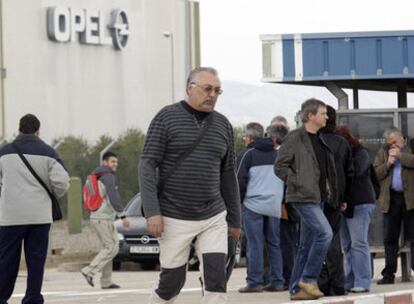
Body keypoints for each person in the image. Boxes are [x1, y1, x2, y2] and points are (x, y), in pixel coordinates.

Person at [139, 67, 241, 304]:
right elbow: (146, 165)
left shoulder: (223, 125)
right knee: (171, 284)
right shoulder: (166, 118)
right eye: (207, 89)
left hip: (213, 214)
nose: (212, 95)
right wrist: (152, 211)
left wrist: (235, 221)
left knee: (216, 277)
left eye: (217, 91)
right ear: (190, 88)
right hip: (174, 215)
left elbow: (228, 175)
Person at [0, 114, 70, 304]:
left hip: (10, 217)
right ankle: (32, 298)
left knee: (6, 260)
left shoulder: (5, 152)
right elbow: (63, 183)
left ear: (19, 130)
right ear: (38, 131)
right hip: (39, 217)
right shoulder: (48, 152)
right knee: (36, 261)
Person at [274, 98, 336, 301]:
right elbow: (279, 167)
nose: (326, 116)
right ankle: (308, 279)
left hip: (317, 197)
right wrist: (297, 181)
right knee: (325, 234)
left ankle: (295, 289)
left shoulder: (320, 138)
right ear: (310, 116)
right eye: (322, 113)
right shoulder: (295, 138)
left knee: (306, 245)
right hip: (302, 196)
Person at [236, 122, 285, 293]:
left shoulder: (247, 154)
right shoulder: (278, 154)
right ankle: (278, 281)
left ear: (249, 137)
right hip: (274, 204)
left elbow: (239, 181)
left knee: (255, 243)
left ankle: (255, 282)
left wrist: (238, 203)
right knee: (274, 243)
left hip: (253, 205)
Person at [336, 125, 378, 293]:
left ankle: (362, 281)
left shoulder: (361, 153)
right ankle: (350, 280)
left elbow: (356, 173)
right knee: (346, 244)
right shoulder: (340, 156)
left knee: (358, 242)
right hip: (345, 203)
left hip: (360, 202)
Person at [317, 106, 353, 296]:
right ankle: (337, 284)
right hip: (336, 199)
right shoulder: (342, 143)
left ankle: (321, 282)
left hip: (315, 199)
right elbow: (349, 172)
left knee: (316, 241)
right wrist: (344, 198)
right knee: (334, 241)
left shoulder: (313, 141)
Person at [81, 151, 129, 289]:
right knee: (111, 247)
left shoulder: (94, 176)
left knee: (109, 247)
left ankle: (106, 281)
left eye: (116, 162)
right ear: (105, 162)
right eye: (113, 162)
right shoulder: (108, 176)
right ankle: (89, 271)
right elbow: (113, 197)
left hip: (99, 216)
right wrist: (123, 216)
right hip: (103, 218)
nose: (115, 164)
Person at [373, 127, 414, 285]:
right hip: (391, 199)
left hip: (410, 199)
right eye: (389, 144)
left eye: (394, 143)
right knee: (390, 238)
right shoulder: (383, 152)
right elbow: (376, 173)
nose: (392, 147)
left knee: (413, 236)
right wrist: (388, 163)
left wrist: (401, 156)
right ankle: (388, 274)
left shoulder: (410, 147)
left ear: (401, 138)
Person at [267, 123, 296, 288]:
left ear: (274, 138)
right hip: (293, 202)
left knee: (285, 242)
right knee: (292, 241)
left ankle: (287, 276)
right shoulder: (294, 149)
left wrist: (283, 202)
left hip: (284, 204)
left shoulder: (281, 154)